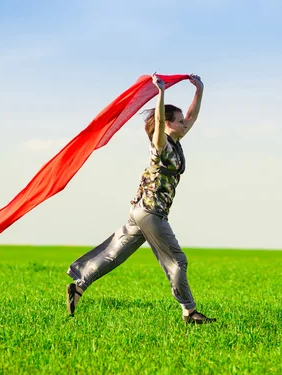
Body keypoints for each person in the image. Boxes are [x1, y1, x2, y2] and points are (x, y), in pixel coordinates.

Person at [65, 73, 215, 324]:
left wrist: (199, 90)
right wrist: (161, 93)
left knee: (114, 254)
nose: (185, 124)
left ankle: (79, 286)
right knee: (177, 261)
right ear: (167, 124)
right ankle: (189, 312)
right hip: (152, 212)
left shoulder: (176, 141)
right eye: (179, 121)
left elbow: (191, 117)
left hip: (141, 210)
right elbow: (158, 120)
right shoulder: (162, 145)